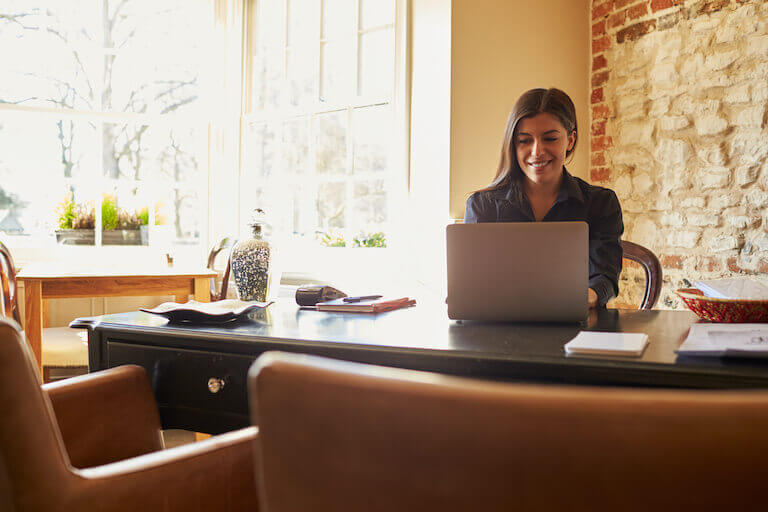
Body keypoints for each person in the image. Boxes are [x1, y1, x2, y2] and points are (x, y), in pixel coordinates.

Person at [464, 88, 623, 309]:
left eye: (550, 138)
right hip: (499, 332)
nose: (537, 151)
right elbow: (471, 283)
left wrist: (587, 296)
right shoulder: (482, 206)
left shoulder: (601, 203)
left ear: (570, 140)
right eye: (524, 141)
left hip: (578, 327)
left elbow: (605, 277)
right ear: (513, 144)